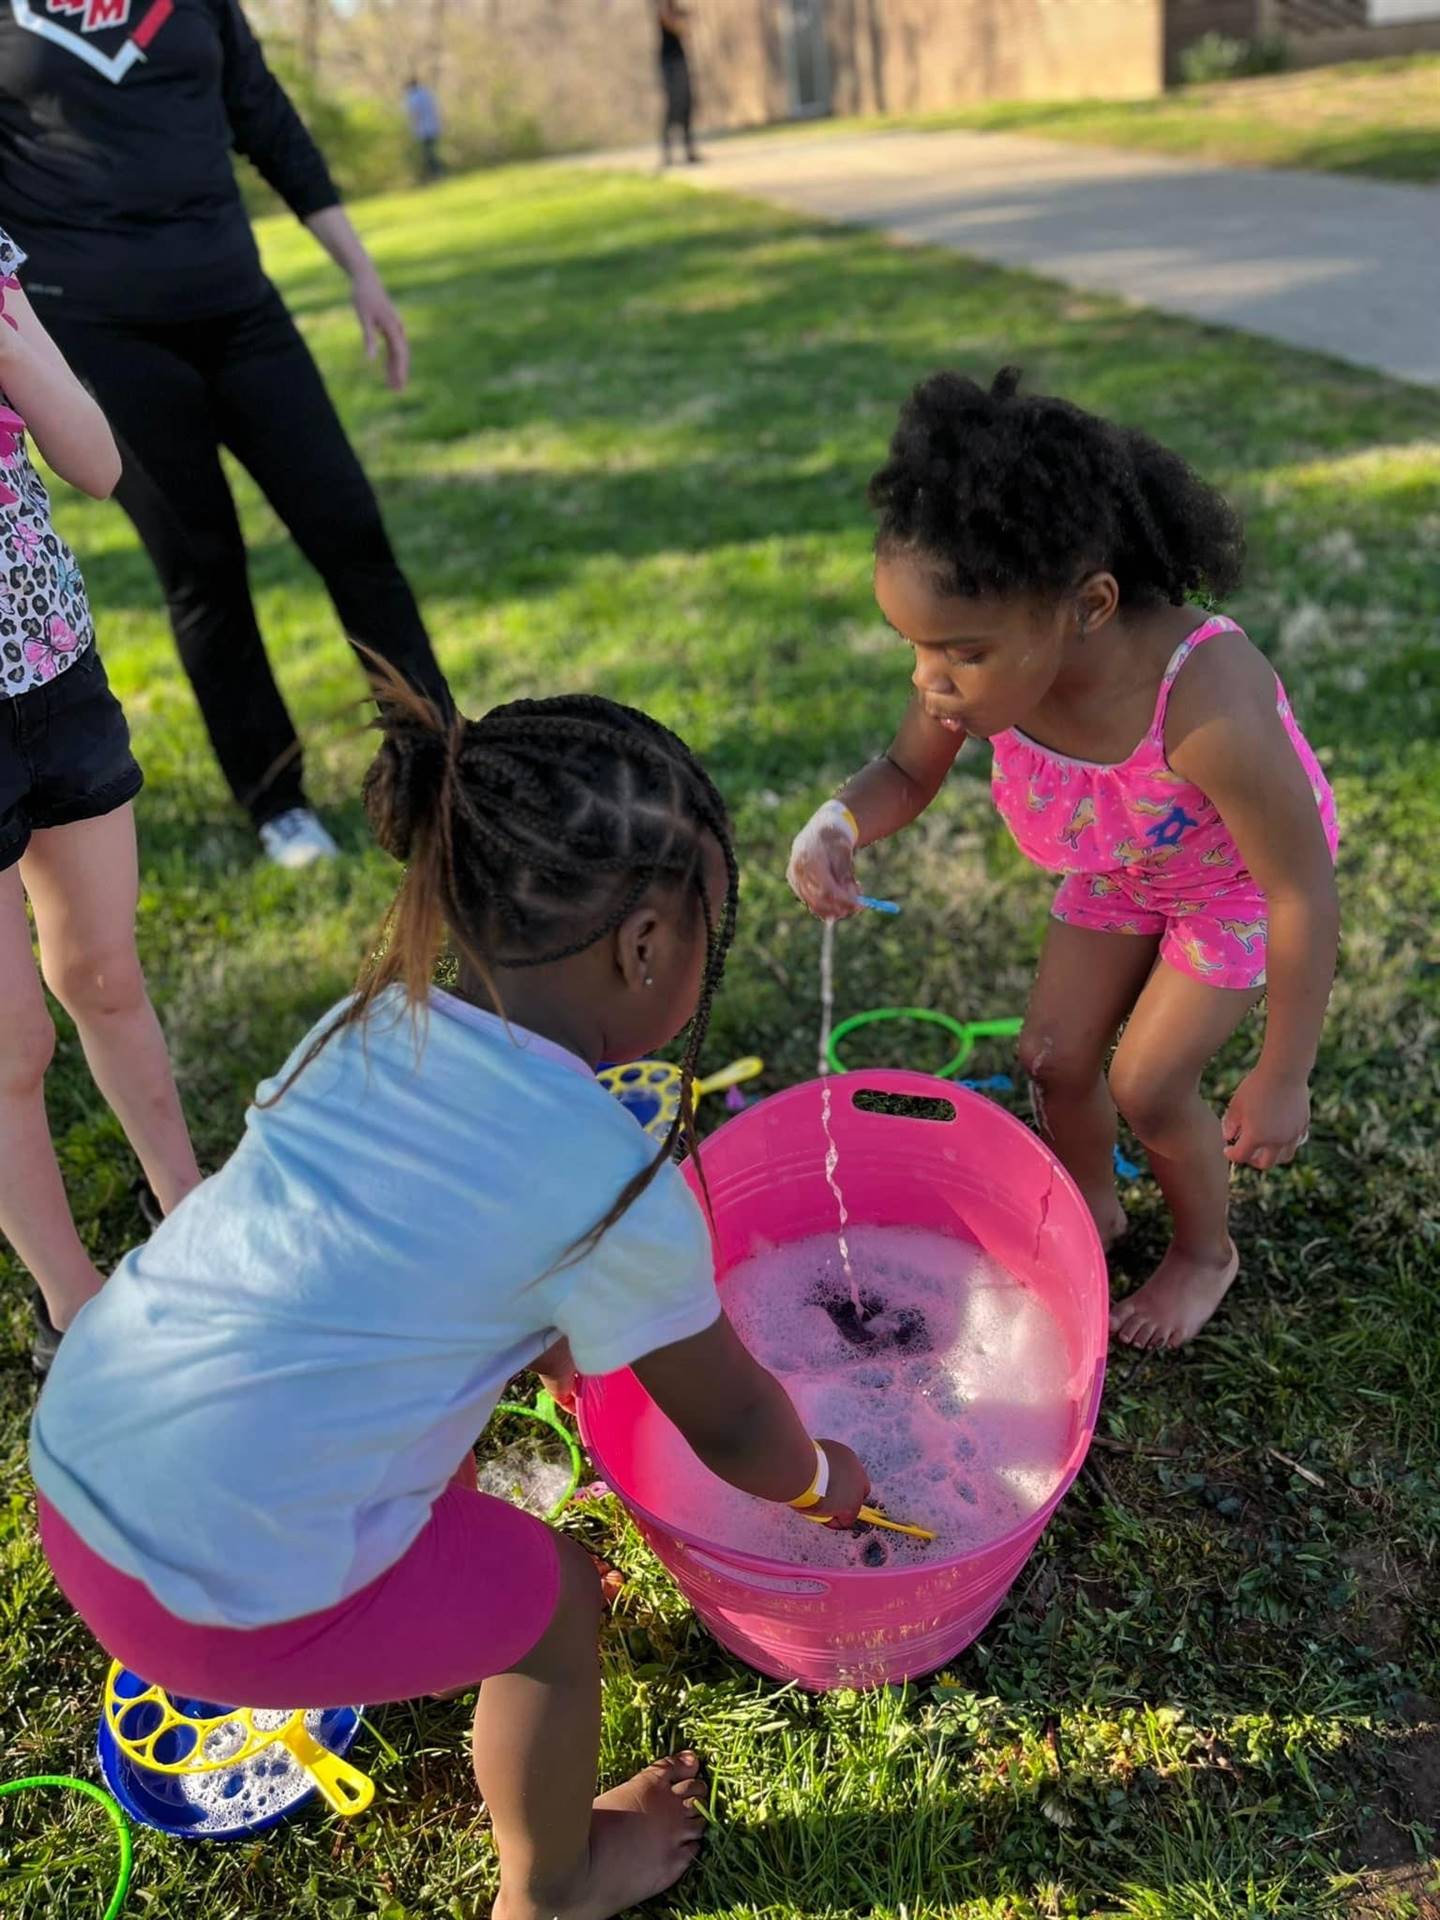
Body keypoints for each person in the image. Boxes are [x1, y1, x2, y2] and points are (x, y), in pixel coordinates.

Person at [32, 683, 870, 1919]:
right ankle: (556, 1883)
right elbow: (740, 1427)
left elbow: (391, 1264)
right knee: (552, 1607)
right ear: (645, 944)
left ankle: (377, 1597)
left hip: (76, 1471)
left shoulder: (366, 1028)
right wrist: (825, 1482)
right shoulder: (608, 1187)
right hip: (212, 1594)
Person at [787, 369, 1339, 1352]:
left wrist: (1284, 1070)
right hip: (1123, 867)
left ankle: (1205, 1253)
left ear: (1086, 606)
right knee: (1050, 1057)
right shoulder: (993, 660)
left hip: (1230, 889)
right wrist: (836, 821)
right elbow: (904, 776)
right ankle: (1094, 1204)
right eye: (915, 648)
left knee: (1150, 1084)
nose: (929, 679)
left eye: (955, 653)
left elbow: (1299, 890)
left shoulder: (1204, 706)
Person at [0, 0, 451, 870]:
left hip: (239, 307)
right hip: (97, 330)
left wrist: (360, 271)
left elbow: (267, 119)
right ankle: (276, 799)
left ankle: (436, 767)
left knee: (351, 530)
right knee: (202, 567)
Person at [0, 229, 201, 1374]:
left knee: (102, 975)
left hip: (47, 662)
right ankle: (74, 1308)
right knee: (9, 1042)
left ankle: (190, 1208)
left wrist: (11, 345)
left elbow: (96, 460)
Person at [658, 1, 700, 167]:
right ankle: (667, 154)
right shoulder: (662, 9)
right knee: (674, 106)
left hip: (680, 60)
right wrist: (683, 22)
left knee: (686, 104)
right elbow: (676, 27)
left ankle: (689, 151)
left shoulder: (676, 9)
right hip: (669, 63)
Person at [404, 75, 444, 182]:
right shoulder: (427, 93)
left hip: (423, 129)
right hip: (433, 126)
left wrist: (413, 129)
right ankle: (435, 174)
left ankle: (435, 174)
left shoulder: (413, 97)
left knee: (428, 154)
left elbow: (414, 114)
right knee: (431, 152)